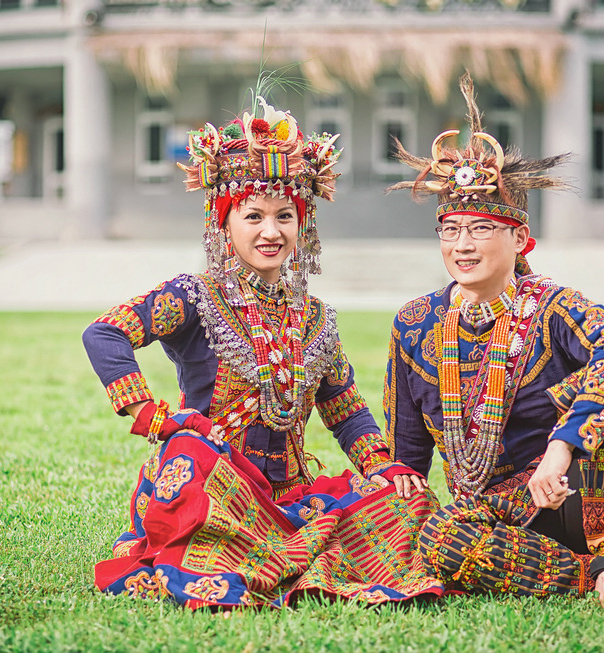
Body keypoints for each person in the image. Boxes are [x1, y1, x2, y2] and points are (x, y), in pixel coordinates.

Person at [383, 73, 604, 617]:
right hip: (497, 517)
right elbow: (408, 458)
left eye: (480, 229)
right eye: (450, 230)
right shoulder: (415, 324)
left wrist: (561, 448)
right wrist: (400, 510)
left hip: (577, 493)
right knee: (439, 537)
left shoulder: (553, 305)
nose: (462, 245)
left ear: (518, 238)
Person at [83, 96, 438, 609]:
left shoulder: (316, 317)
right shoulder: (193, 296)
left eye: (284, 216)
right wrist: (154, 418)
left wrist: (381, 464)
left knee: (410, 498)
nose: (271, 232)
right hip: (215, 484)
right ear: (224, 222)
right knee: (190, 453)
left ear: (303, 225)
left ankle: (282, 545)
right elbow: (105, 333)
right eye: (253, 215)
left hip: (291, 495)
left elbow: (345, 409)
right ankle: (257, 548)